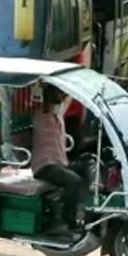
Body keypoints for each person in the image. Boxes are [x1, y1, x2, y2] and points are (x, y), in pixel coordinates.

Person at [31, 87, 87, 235]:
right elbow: (46, 108)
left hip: (59, 162)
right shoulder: (42, 117)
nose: (58, 104)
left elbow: (66, 101)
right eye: (55, 101)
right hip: (44, 166)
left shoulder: (58, 116)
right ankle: (66, 221)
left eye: (58, 101)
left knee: (89, 164)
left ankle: (84, 212)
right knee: (74, 181)